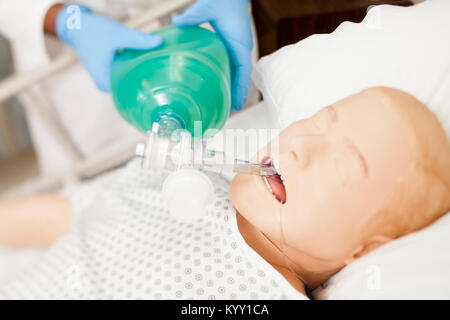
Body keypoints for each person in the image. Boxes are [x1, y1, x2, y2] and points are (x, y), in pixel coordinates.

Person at [0, 87, 449, 299]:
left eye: (345, 166)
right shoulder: (196, 173)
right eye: (317, 121)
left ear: (364, 249)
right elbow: (72, 213)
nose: (301, 144)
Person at [0, 0, 253, 175]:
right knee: (96, 189)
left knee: (236, 150)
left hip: (202, 26)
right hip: (77, 63)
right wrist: (70, 22)